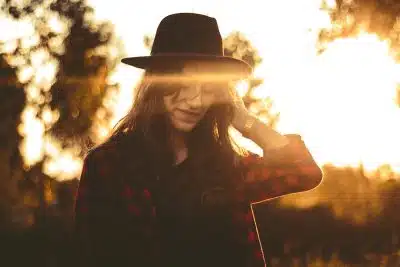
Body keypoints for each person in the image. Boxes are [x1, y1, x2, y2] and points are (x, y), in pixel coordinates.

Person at [73, 12, 323, 267]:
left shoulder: (225, 166)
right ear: (156, 83)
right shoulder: (109, 164)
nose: (195, 101)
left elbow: (303, 172)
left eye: (207, 88)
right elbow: (88, 255)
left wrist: (240, 116)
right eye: (183, 84)